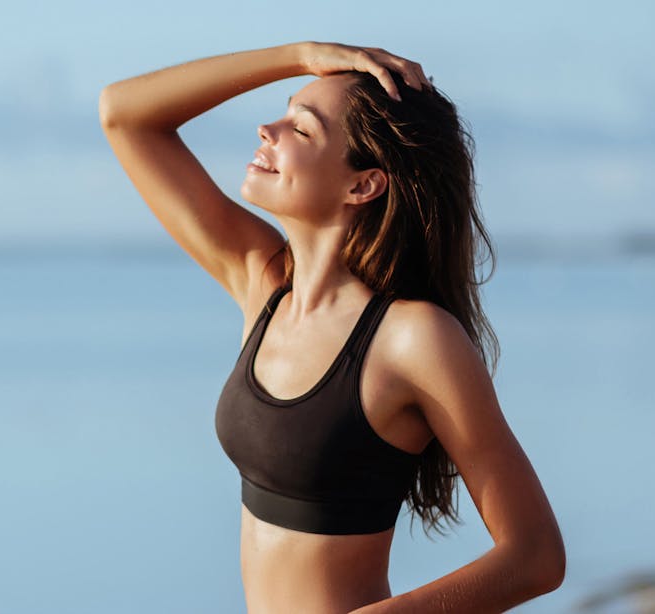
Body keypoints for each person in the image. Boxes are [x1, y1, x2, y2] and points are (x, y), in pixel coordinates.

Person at [99, 41, 565, 614]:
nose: (267, 129)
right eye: (284, 112)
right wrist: (301, 56)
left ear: (363, 185)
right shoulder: (263, 284)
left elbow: (535, 555)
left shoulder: (414, 339)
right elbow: (124, 115)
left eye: (303, 128)